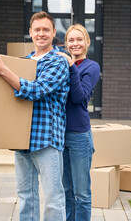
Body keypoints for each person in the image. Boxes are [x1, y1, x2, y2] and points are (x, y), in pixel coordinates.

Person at [0, 11, 69, 221]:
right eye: (37, 30)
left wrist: (2, 69)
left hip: (47, 140)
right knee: (26, 195)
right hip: (22, 141)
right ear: (30, 32)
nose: (41, 34)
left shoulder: (58, 63)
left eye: (46, 30)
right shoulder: (23, 62)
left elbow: (35, 90)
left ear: (54, 32)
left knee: (53, 200)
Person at [57, 24, 101, 221]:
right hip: (59, 134)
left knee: (81, 193)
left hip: (79, 136)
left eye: (79, 39)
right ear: (66, 44)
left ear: (87, 42)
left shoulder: (91, 67)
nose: (75, 43)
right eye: (71, 40)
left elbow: (79, 97)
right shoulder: (60, 63)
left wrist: (70, 67)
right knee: (67, 191)